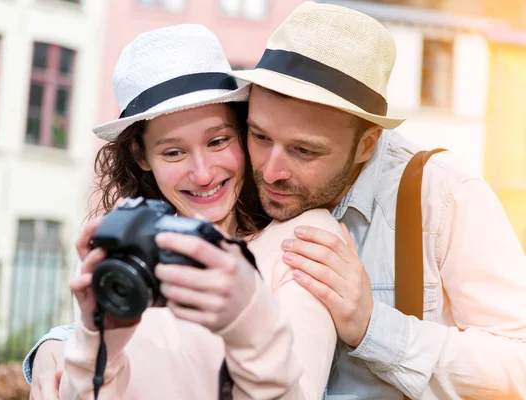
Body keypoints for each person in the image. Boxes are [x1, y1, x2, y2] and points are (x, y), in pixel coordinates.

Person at [228, 2, 526, 399]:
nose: (271, 170)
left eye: (304, 151)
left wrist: (372, 325)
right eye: (261, 136)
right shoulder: (229, 178)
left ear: (366, 145)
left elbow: (519, 365)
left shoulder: (445, 196)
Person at [28, 24, 340, 400]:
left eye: (218, 141)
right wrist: (90, 345)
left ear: (242, 133)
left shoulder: (302, 243)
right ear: (141, 157)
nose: (204, 173)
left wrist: (248, 319)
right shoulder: (120, 262)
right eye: (173, 152)